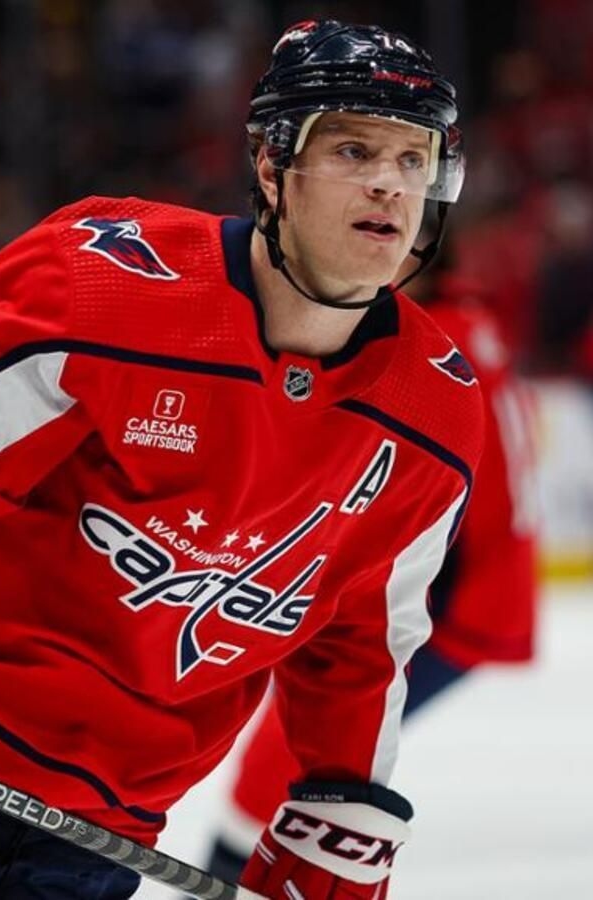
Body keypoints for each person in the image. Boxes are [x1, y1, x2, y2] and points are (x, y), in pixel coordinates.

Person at [0, 19, 482, 899]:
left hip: (103, 817)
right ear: (273, 166)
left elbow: (364, 638)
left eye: (414, 159)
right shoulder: (108, 280)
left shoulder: (434, 408)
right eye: (354, 150)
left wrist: (344, 809)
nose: (390, 183)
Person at [199, 254, 540, 888]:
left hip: (457, 595)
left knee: (299, 748)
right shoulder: (466, 321)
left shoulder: (435, 342)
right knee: (301, 746)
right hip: (483, 586)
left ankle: (229, 876)